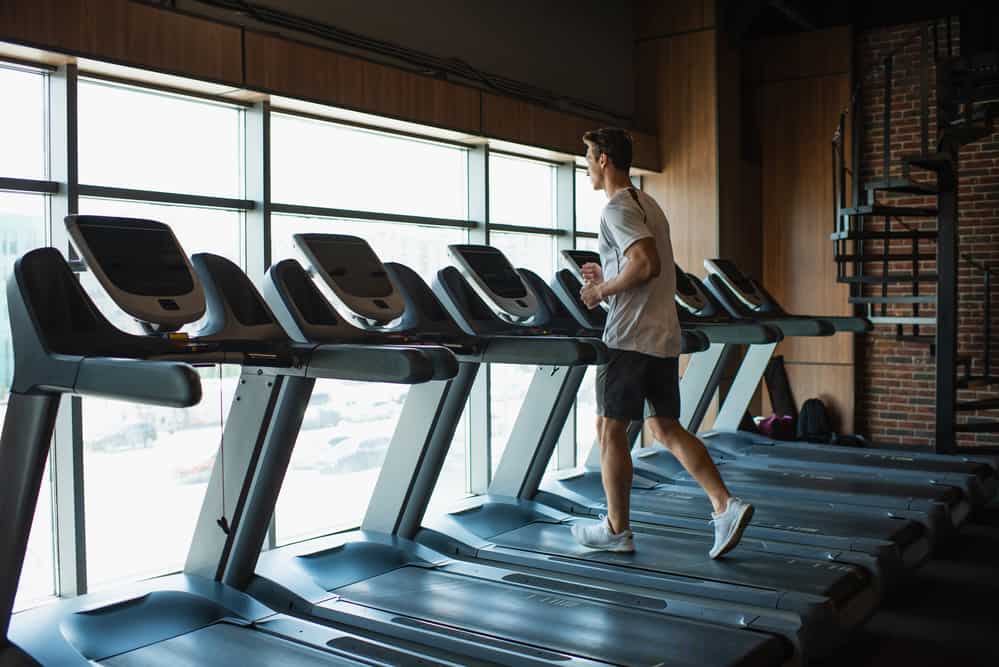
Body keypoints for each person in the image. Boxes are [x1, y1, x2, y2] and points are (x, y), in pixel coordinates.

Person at [570, 127, 753, 558]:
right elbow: (642, 262)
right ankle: (725, 505)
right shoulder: (649, 204)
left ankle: (617, 530)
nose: (586, 168)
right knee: (665, 427)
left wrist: (600, 292)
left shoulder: (615, 207)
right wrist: (608, 273)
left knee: (609, 430)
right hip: (661, 333)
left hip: (629, 336)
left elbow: (647, 263)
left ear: (604, 160)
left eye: (588, 158)